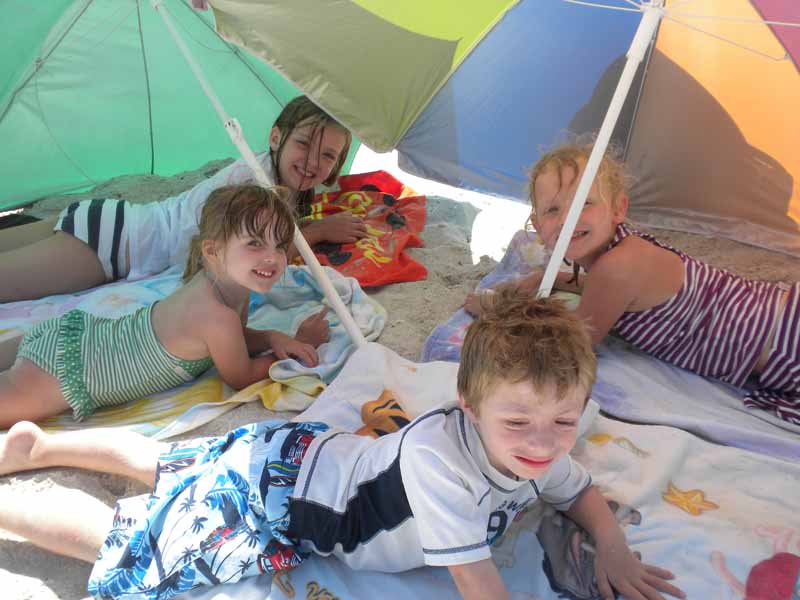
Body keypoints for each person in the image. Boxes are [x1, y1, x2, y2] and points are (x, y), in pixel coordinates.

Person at [0, 289, 684, 600]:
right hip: (278, 502)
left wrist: (613, 545)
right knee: (131, 542)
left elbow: (579, 490)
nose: (544, 445)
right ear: (467, 406)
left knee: (176, 462)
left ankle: (37, 448)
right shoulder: (443, 467)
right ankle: (13, 502)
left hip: (296, 452)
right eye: (520, 424)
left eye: (565, 422)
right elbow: (480, 587)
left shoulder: (538, 445)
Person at [465, 142, 799, 425]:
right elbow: (601, 289)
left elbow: (567, 349)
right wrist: (546, 279)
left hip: (787, 339)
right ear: (537, 225)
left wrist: (498, 308)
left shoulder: (618, 268)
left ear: (618, 209)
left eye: (585, 203)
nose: (567, 219)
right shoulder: (613, 258)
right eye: (553, 210)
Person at [0, 184, 328, 428]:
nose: (272, 257)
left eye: (281, 244)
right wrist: (303, 346)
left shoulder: (221, 288)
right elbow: (241, 375)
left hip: (73, 337)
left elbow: (235, 339)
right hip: (69, 372)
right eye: (255, 243)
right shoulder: (217, 316)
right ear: (213, 251)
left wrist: (273, 337)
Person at [0, 95, 367, 302]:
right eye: (304, 144)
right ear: (276, 138)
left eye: (328, 156)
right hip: (110, 247)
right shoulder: (255, 186)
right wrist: (316, 232)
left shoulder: (267, 171)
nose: (312, 163)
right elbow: (248, 259)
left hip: (111, 219)